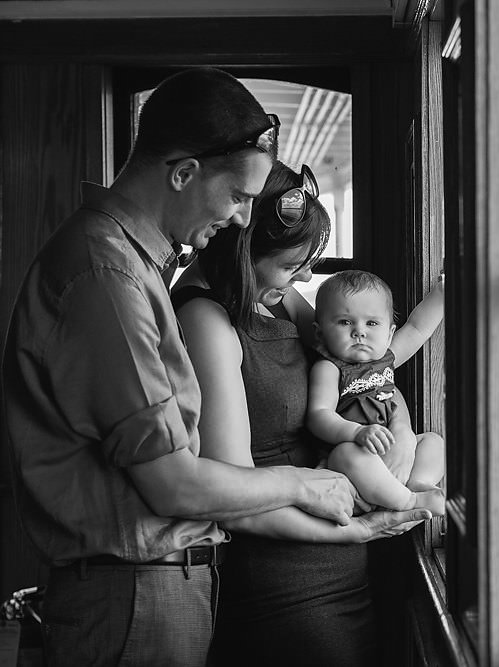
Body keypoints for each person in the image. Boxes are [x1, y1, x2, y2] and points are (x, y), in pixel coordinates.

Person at [0, 67, 417, 667]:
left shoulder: (135, 265)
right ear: (183, 172)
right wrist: (307, 483)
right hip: (134, 595)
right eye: (239, 197)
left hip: (154, 587)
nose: (244, 221)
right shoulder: (107, 277)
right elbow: (173, 481)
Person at [171, 159, 430, 666]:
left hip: (342, 561)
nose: (305, 277)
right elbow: (234, 492)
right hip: (286, 584)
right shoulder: (205, 318)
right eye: (292, 265)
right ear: (243, 252)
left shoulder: (278, 296)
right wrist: (356, 530)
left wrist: (398, 426)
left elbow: (360, 368)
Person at [308, 269, 446, 515]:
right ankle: (408, 502)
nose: (359, 332)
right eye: (344, 322)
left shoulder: (386, 359)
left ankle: (418, 482)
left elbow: (417, 329)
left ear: (390, 333)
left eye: (371, 323)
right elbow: (319, 415)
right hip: (353, 464)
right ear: (320, 333)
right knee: (344, 454)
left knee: (433, 442)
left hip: (390, 454)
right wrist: (357, 432)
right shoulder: (329, 368)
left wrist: (441, 294)